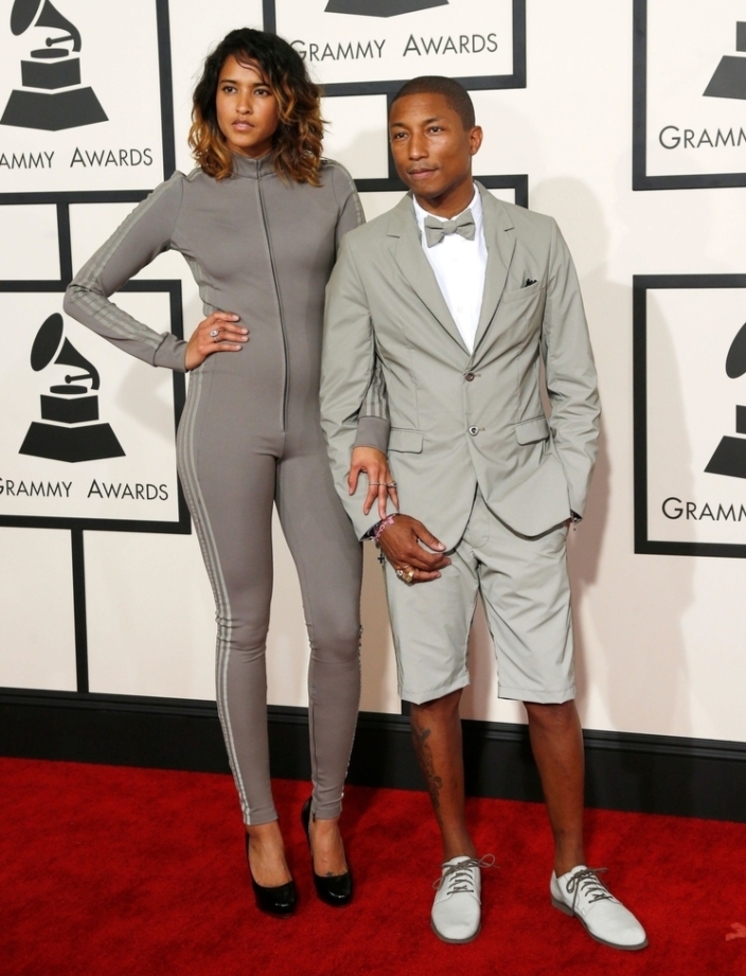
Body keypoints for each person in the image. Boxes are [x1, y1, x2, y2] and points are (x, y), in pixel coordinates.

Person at [64, 28, 394, 917]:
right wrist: (176, 349)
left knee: (337, 628)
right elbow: (82, 290)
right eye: (229, 89)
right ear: (212, 101)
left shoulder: (331, 189)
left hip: (322, 437)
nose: (243, 105)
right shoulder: (183, 196)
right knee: (244, 626)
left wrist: (369, 427)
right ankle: (259, 823)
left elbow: (362, 319)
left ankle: (325, 814)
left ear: (289, 100)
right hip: (227, 432)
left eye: (261, 89)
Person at [320, 76, 647, 950]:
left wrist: (562, 496)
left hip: (525, 506)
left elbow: (576, 387)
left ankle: (572, 870)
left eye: (433, 129)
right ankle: (457, 856)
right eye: (398, 134)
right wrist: (374, 521)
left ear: (474, 137)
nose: (415, 147)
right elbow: (342, 404)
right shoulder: (366, 253)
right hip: (414, 514)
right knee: (431, 693)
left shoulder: (537, 238)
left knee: (551, 694)